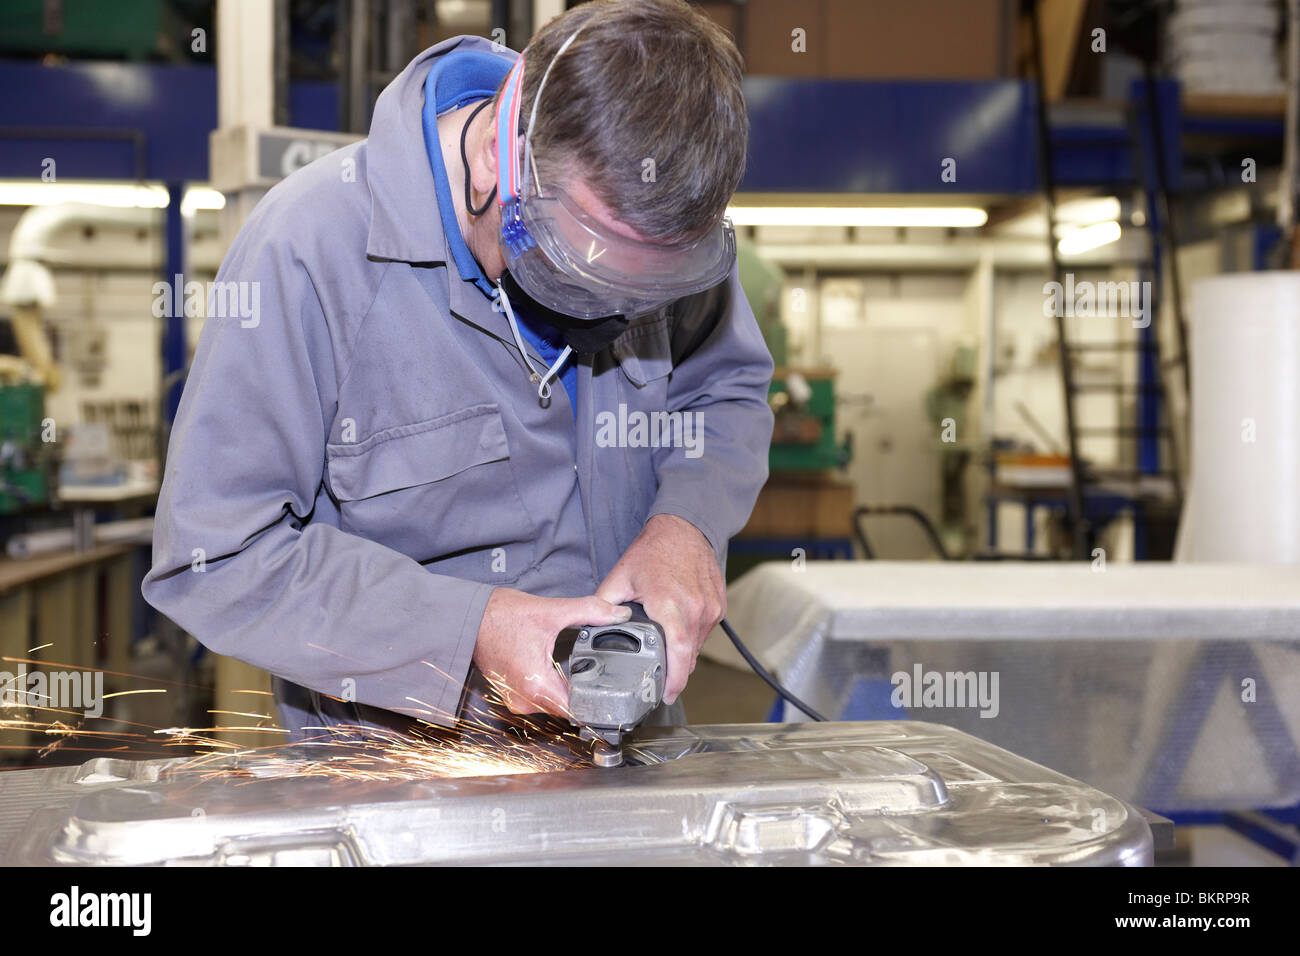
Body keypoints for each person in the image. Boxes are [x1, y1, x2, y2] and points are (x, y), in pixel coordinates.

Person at [143, 0, 773, 742]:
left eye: (648, 292)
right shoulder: (308, 253)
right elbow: (217, 557)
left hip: (629, 758)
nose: (614, 311)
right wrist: (467, 630)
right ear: (494, 165)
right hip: (403, 784)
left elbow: (724, 386)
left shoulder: (652, 217)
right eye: (580, 272)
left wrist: (686, 525)